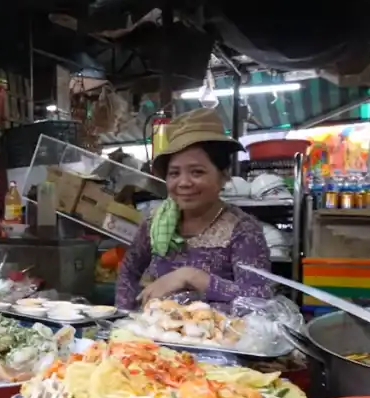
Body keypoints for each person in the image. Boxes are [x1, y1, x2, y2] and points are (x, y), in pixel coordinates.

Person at [115, 108, 272, 310]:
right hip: (156, 335)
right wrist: (124, 318)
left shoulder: (243, 231)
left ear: (223, 175)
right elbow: (129, 271)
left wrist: (191, 277)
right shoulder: (157, 224)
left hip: (219, 338)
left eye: (197, 172)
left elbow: (259, 300)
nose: (183, 183)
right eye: (174, 173)